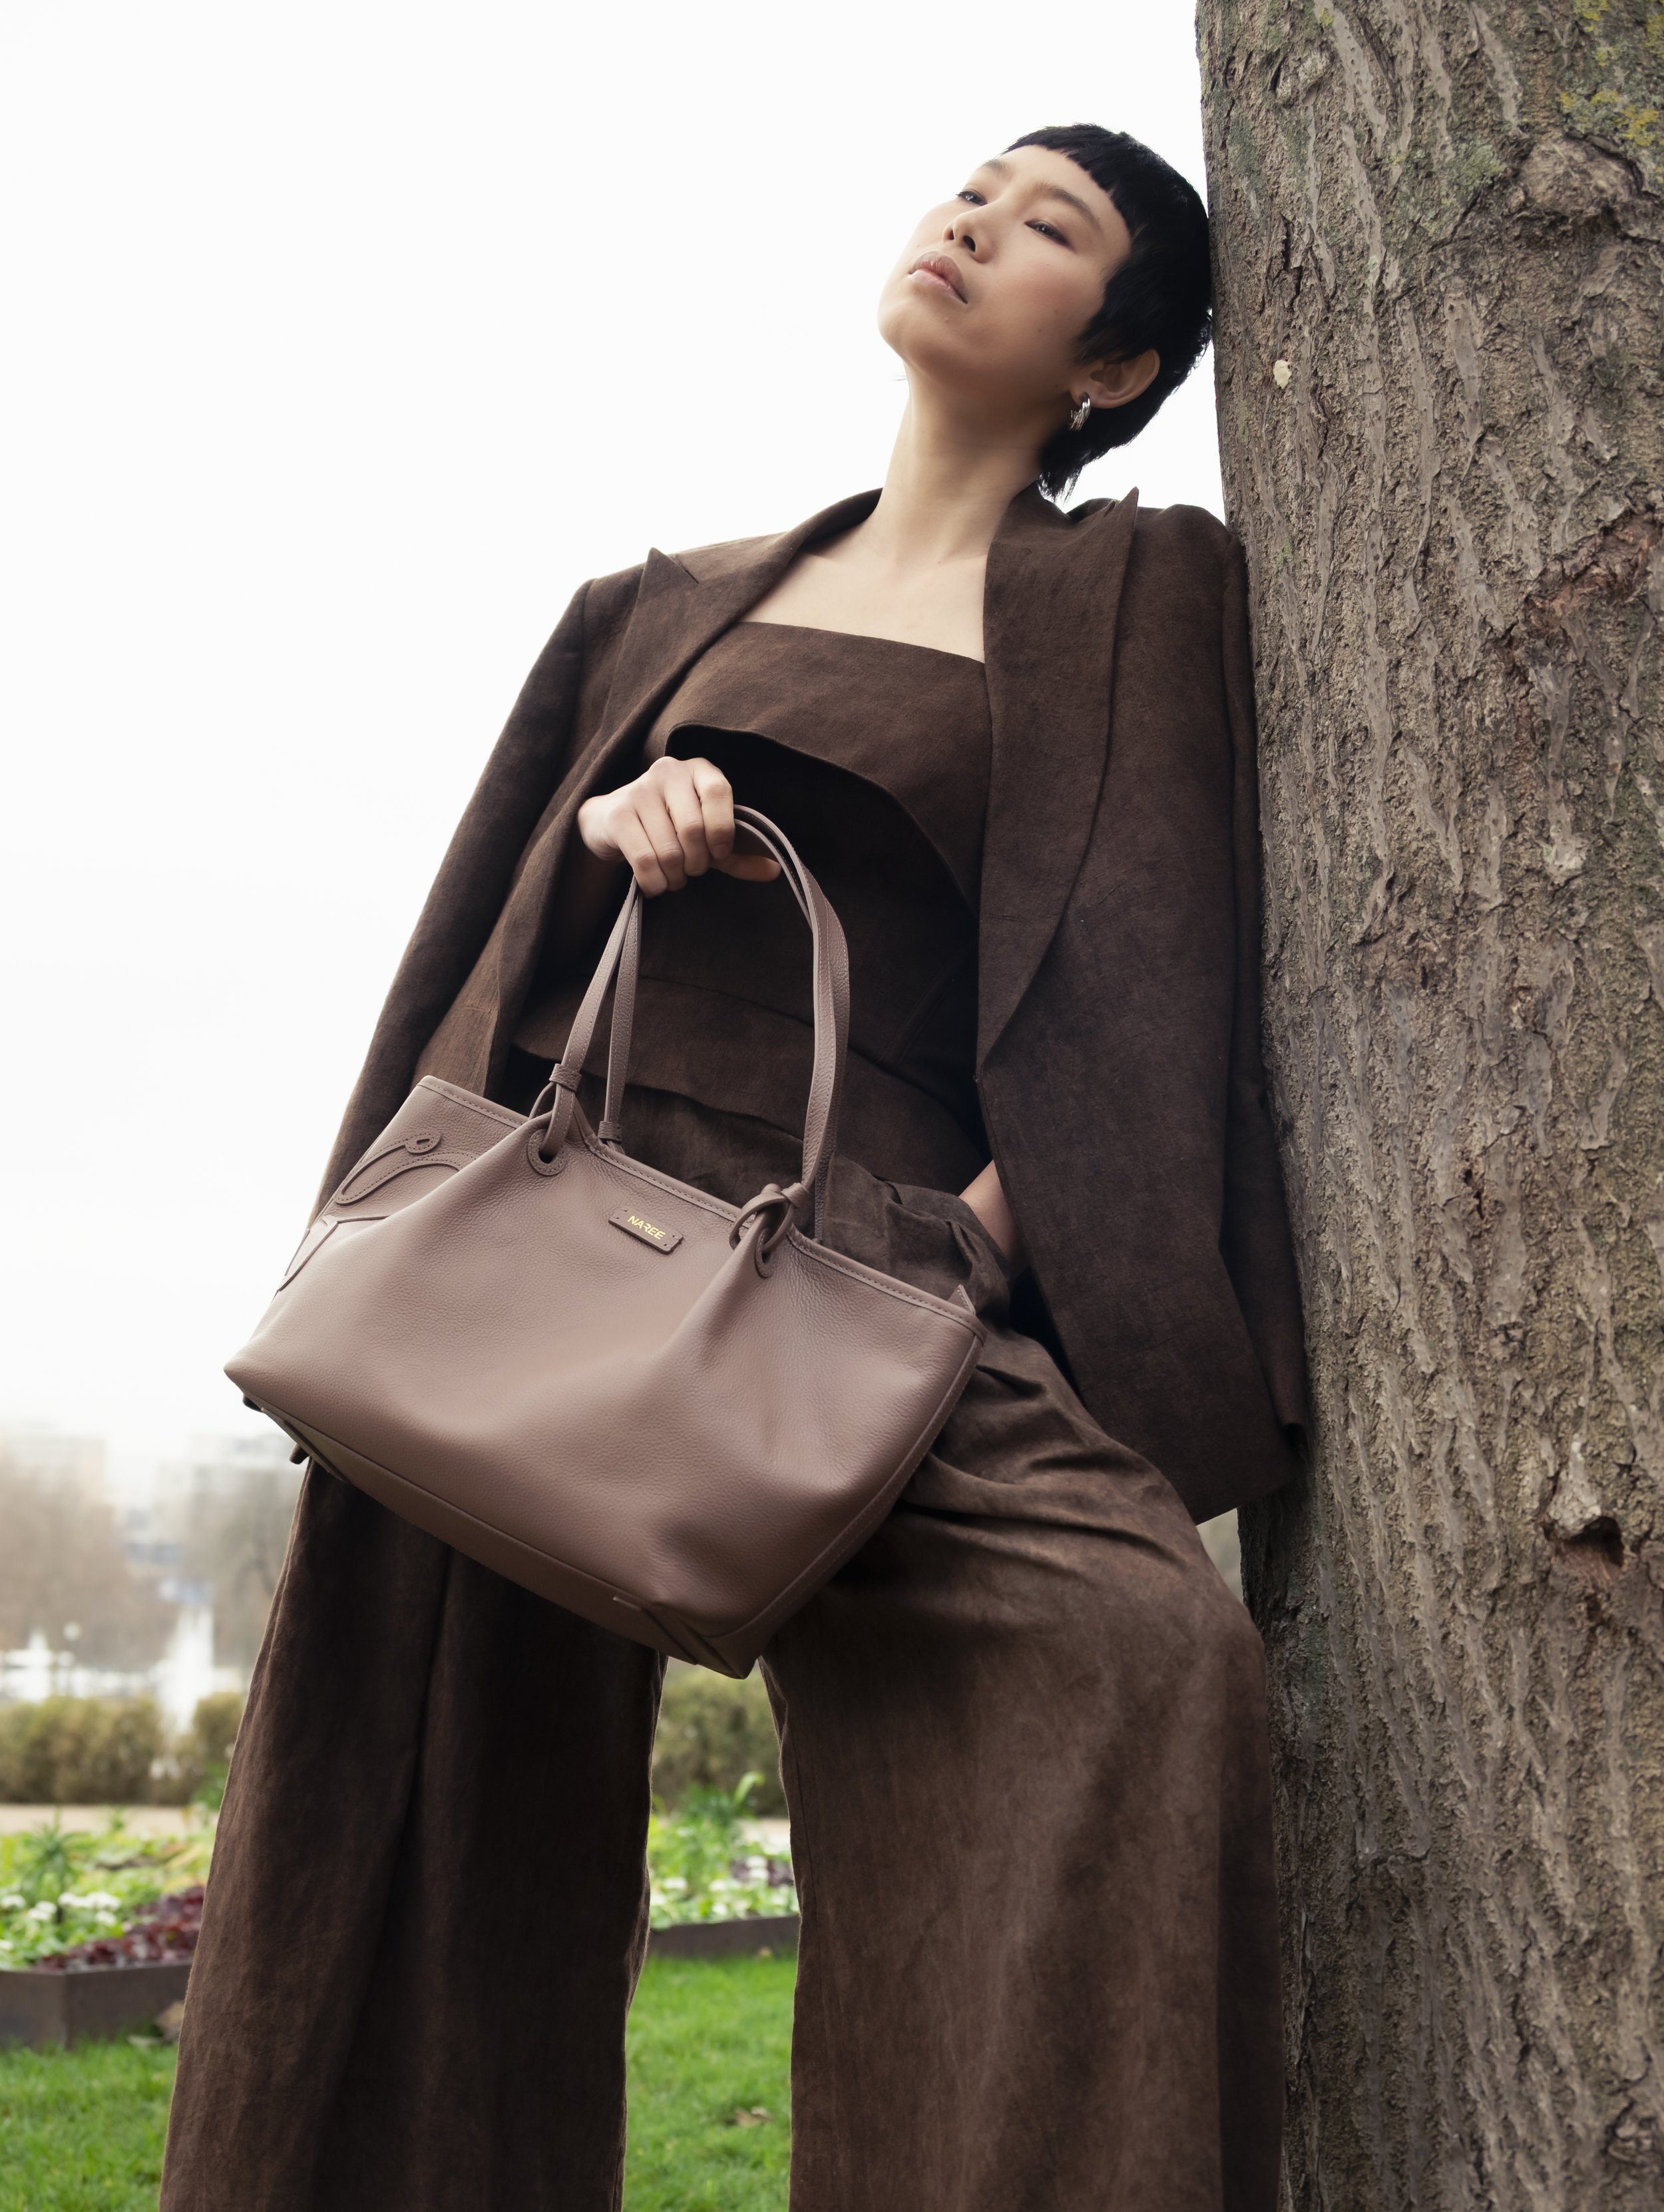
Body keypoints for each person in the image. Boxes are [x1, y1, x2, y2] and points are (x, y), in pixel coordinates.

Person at [161, 124, 1308, 2212]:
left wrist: (965, 1244)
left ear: (1114, 366)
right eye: (971, 190)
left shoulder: (1134, 594)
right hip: (553, 1241)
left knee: (1140, 1654)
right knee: (411, 1794)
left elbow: (1153, 973)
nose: (971, 222)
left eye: (1048, 225)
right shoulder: (662, 604)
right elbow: (490, 941)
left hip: (865, 1271)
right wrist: (620, 829)